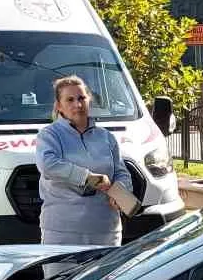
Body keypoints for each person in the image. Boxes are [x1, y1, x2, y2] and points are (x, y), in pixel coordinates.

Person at [35, 75, 132, 248]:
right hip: (62, 231)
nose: (77, 104)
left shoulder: (107, 137)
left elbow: (120, 172)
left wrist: (122, 189)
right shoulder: (49, 135)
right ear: (59, 106)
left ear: (89, 100)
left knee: (106, 276)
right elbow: (48, 165)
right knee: (62, 277)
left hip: (105, 230)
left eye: (81, 98)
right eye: (70, 100)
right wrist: (88, 178)